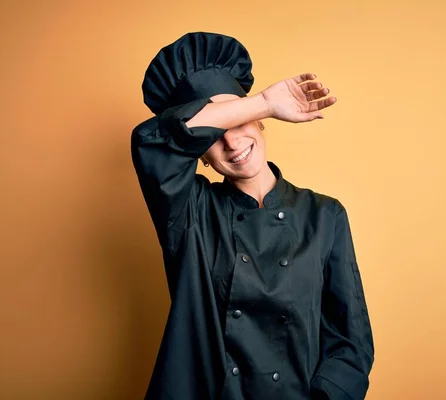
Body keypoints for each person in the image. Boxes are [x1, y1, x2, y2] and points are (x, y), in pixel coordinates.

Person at [131, 32, 374, 400]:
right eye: (216, 132)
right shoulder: (189, 212)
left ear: (261, 123)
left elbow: (350, 341)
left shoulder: (325, 216)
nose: (231, 142)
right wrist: (261, 101)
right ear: (201, 155)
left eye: (242, 121)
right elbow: (150, 140)